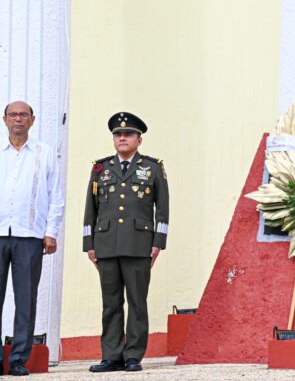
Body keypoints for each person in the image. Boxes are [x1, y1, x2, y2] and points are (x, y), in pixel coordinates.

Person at [83, 112, 169, 373]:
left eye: (128, 134)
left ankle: (133, 355)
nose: (122, 138)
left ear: (138, 140)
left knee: (136, 301)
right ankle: (111, 355)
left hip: (139, 243)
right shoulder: (100, 168)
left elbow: (162, 209)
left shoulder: (152, 168)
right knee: (110, 303)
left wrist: (159, 242)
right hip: (106, 243)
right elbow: (91, 208)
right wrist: (89, 243)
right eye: (118, 135)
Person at [0, 101, 64, 376]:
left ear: (32, 120)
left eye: (23, 115)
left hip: (30, 235)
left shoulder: (44, 153)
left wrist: (51, 231)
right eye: (13, 115)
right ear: (4, 120)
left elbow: (56, 195)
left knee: (26, 299)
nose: (18, 119)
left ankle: (17, 360)